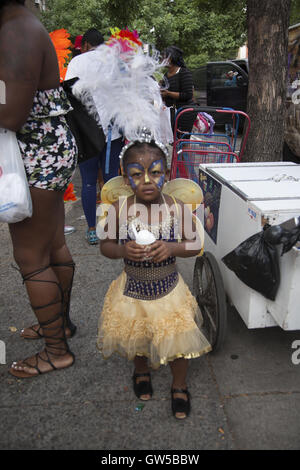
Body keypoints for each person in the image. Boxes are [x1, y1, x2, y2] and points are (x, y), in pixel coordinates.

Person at [96, 139, 211, 419]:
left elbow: (195, 244)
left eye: (156, 172)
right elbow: (106, 246)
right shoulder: (119, 209)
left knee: (178, 341)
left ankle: (179, 384)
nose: (147, 181)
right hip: (132, 291)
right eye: (137, 174)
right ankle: (141, 369)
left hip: (169, 291)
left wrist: (172, 247)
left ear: (168, 174)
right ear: (126, 177)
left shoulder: (176, 207)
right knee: (136, 334)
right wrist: (123, 249)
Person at [0, 0, 78, 377]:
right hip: (48, 150)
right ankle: (59, 326)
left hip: (36, 155)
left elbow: (11, 113)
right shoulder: (22, 23)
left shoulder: (15, 29)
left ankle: (56, 350)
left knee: (31, 257)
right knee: (52, 245)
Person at [65, 28, 124, 245]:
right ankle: (111, 230)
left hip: (87, 133)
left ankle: (92, 229)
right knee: (110, 182)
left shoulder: (76, 63)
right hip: (113, 133)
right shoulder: (113, 62)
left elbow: (70, 97)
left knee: (89, 183)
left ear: (85, 45)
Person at [161, 46, 197, 136]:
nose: (163, 59)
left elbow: (188, 94)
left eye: (165, 57)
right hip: (171, 113)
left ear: (173, 58)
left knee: (182, 140)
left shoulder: (184, 72)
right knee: (174, 141)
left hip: (184, 113)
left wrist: (168, 93)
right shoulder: (166, 75)